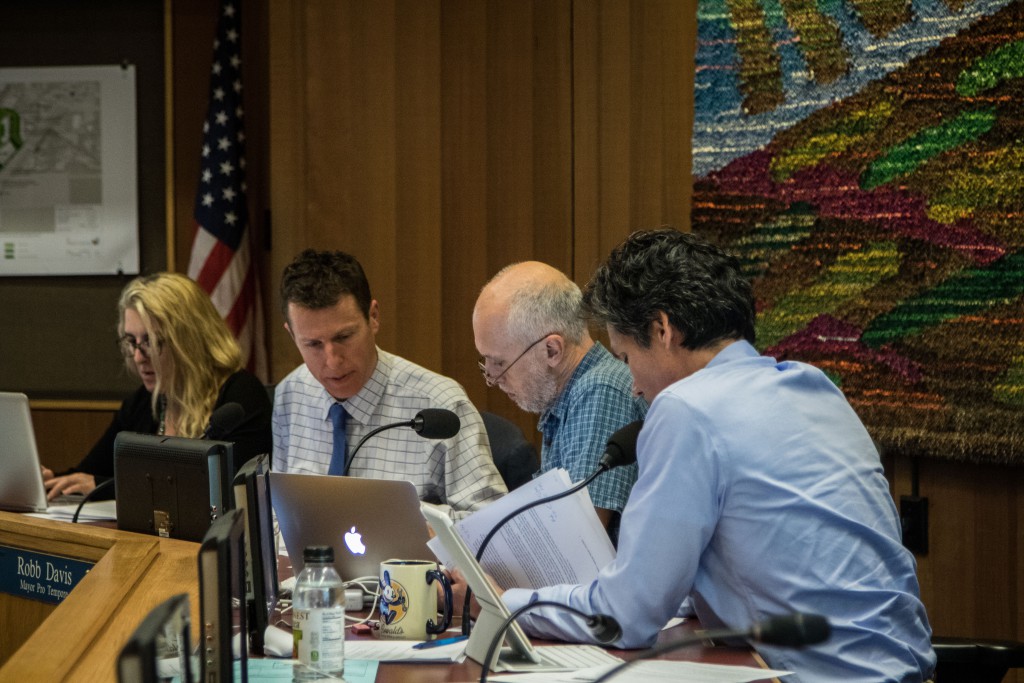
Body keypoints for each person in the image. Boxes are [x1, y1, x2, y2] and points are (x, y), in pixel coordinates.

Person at [496, 229, 936, 682]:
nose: (634, 387)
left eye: (626, 359)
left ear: (662, 330)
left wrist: (503, 603)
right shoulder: (814, 385)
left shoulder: (686, 408)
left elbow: (625, 616)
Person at [272, 249, 506, 520]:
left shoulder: (441, 403)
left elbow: (492, 523)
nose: (333, 361)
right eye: (313, 344)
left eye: (344, 337)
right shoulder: (290, 395)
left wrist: (414, 519)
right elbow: (278, 514)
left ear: (373, 317)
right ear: (292, 335)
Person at [43, 273, 273, 500]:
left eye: (151, 342)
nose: (138, 357)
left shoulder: (239, 398)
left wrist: (104, 487)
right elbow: (90, 474)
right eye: (131, 341)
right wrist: (51, 480)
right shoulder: (144, 402)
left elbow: (223, 492)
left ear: (189, 341)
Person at [472, 261, 646, 540]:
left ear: (552, 350)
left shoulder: (600, 390)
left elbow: (576, 539)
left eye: (500, 363)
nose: (492, 380)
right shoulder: (567, 397)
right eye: (486, 362)